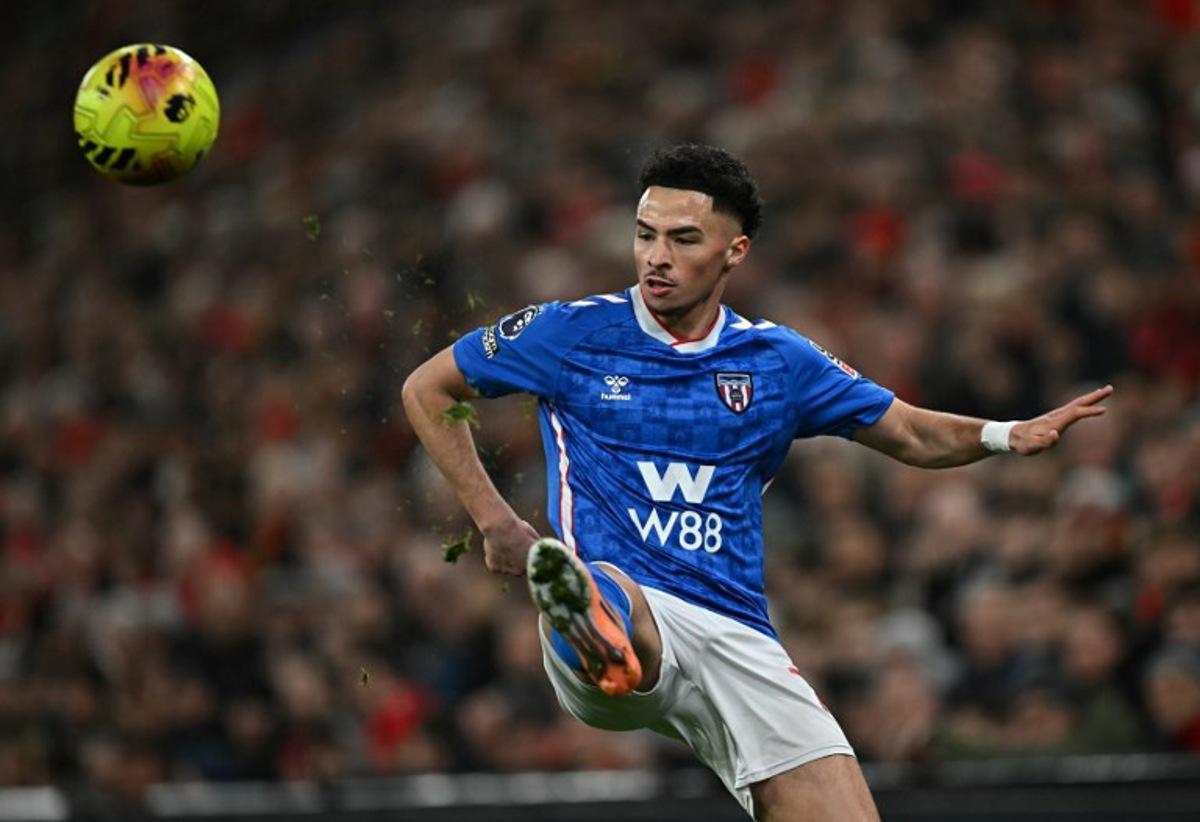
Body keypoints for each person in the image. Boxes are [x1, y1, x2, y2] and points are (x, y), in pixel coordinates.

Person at [402, 143, 1113, 821]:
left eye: (683, 239)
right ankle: (587, 625)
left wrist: (1004, 435)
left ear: (733, 251)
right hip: (630, 605)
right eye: (645, 234)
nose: (656, 256)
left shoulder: (777, 360)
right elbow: (427, 390)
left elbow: (910, 432)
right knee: (610, 596)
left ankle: (593, 620)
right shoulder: (570, 333)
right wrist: (495, 520)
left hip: (738, 636)